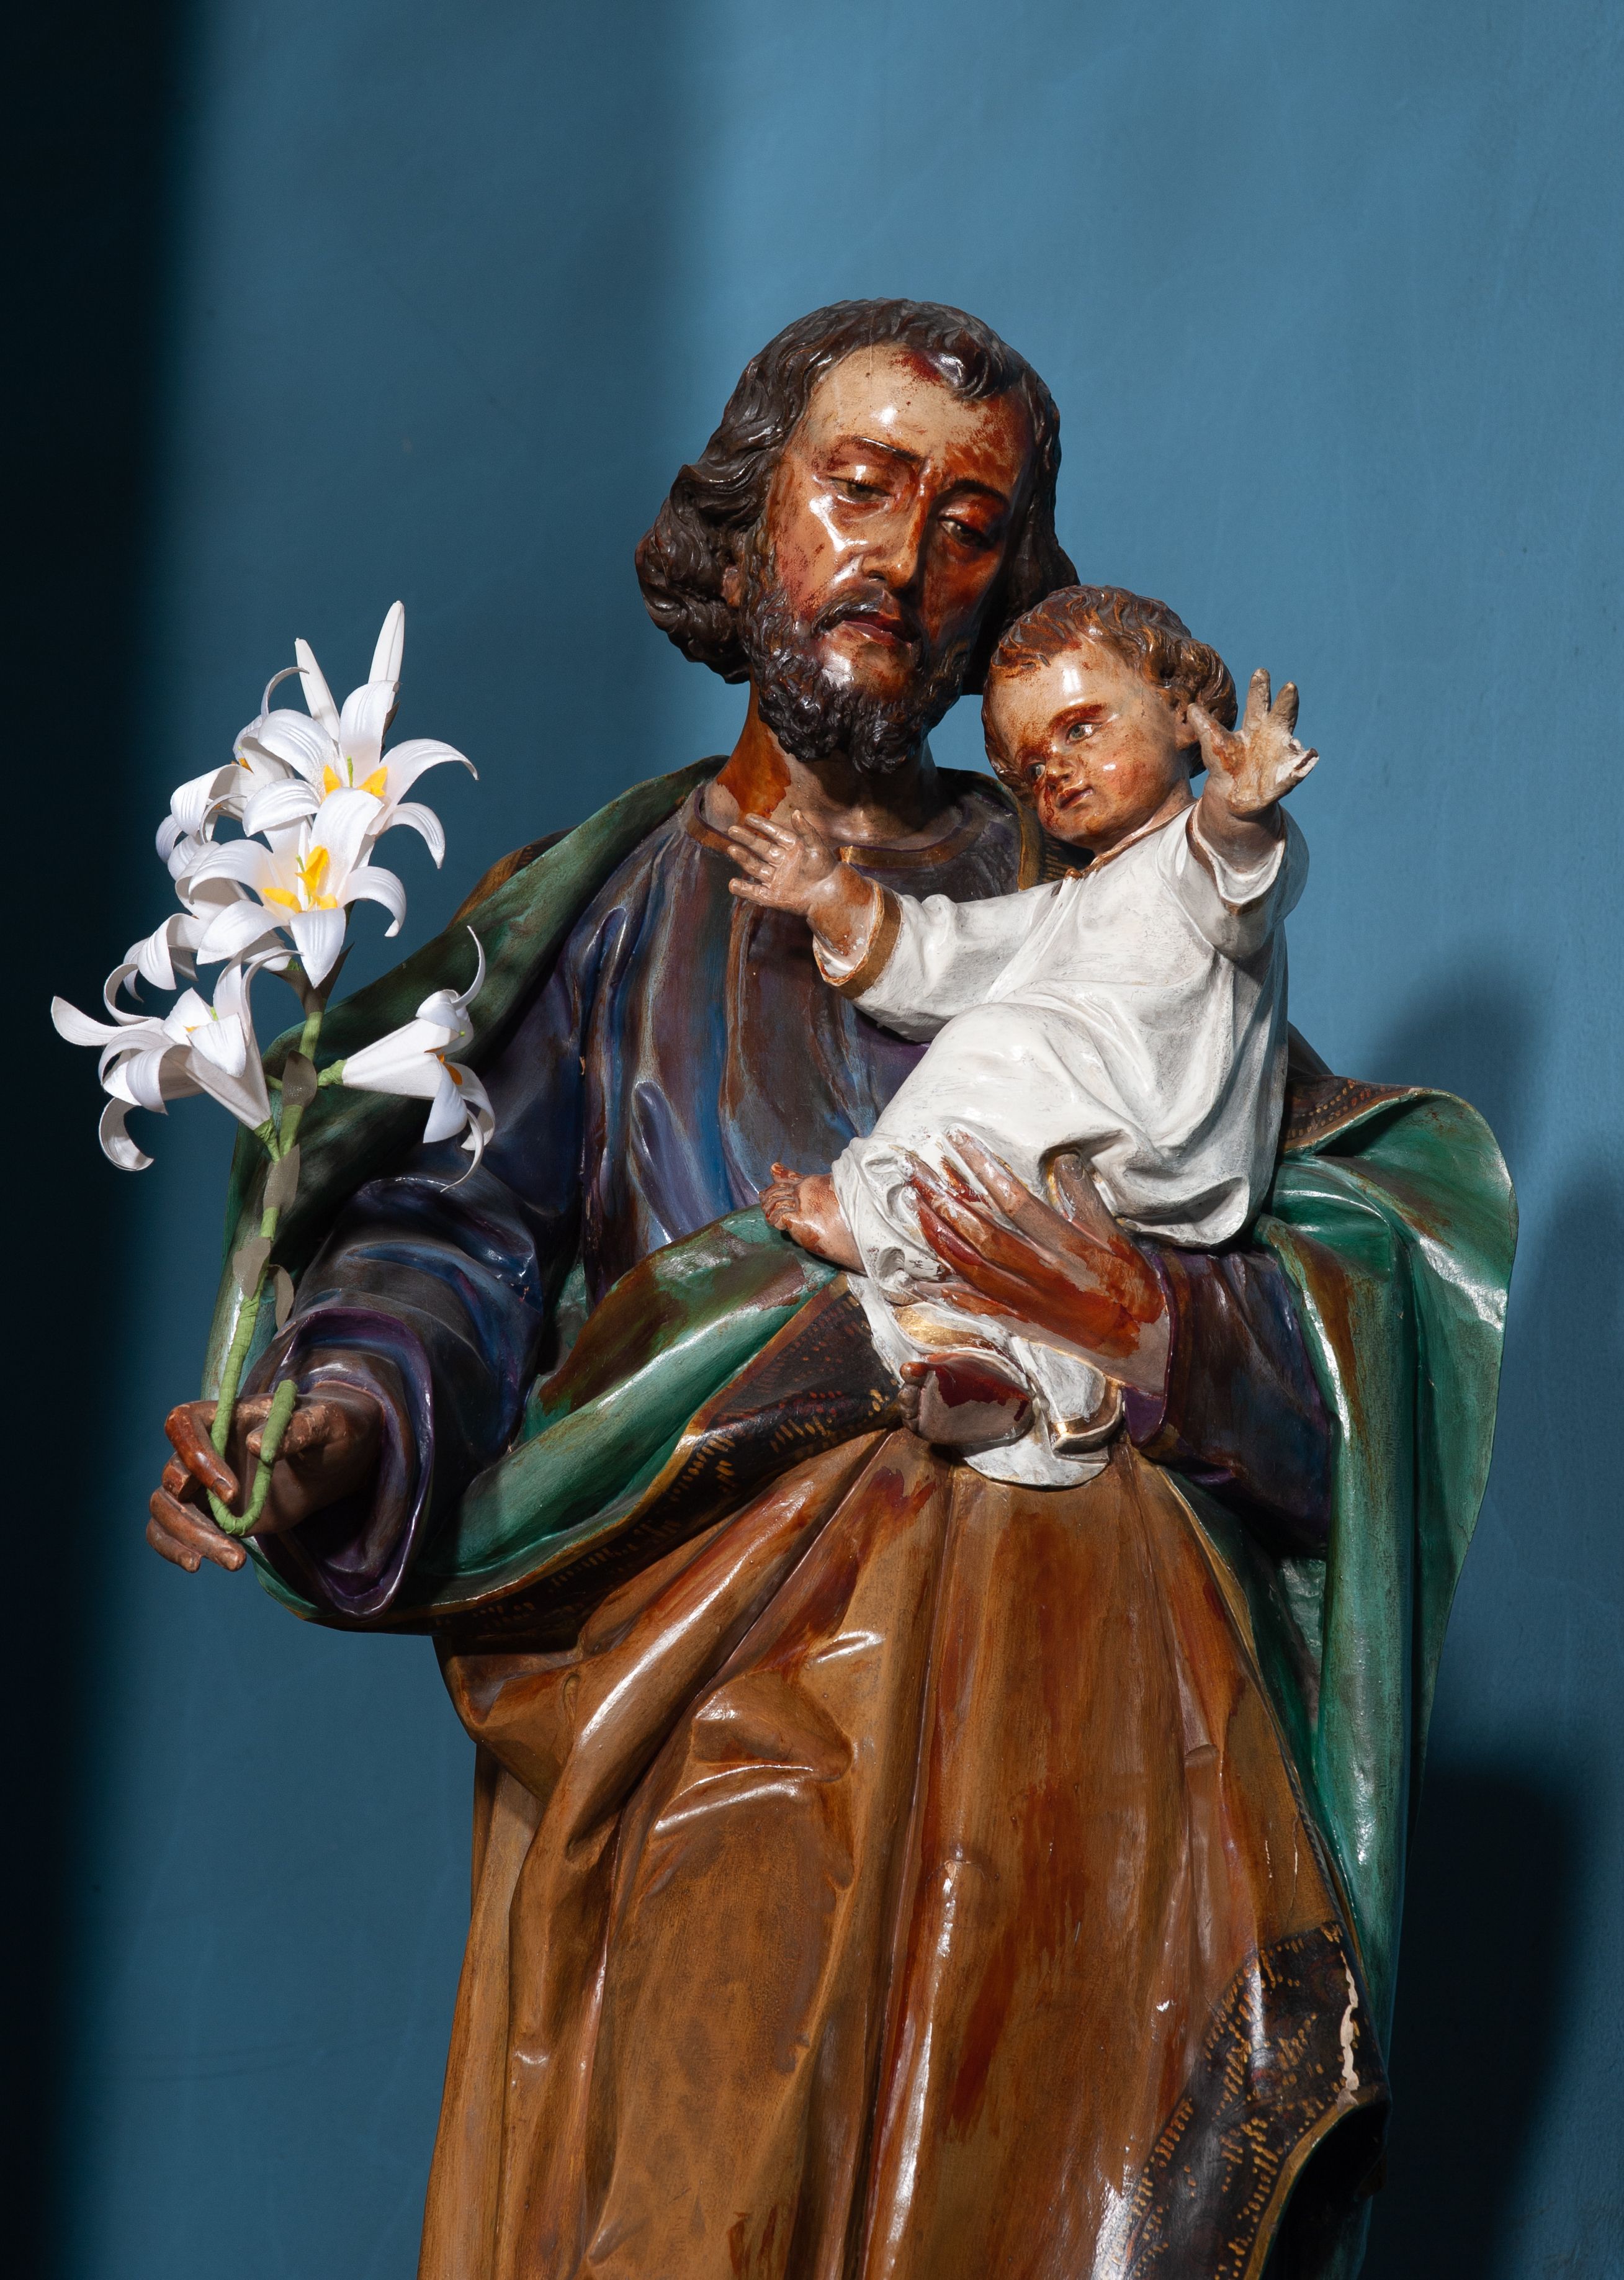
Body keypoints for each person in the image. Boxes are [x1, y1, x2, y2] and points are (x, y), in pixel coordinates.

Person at [143, 302, 1512, 2280]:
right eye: (862, 488)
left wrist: (1146, 1327)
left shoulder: (1099, 910)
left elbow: (1329, 1303)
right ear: (749, 515)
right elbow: (450, 1241)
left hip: (1079, 1725)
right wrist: (336, 1419)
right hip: (717, 1680)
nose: (906, 559)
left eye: (971, 526)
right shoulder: (614, 912)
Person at [730, 585, 1317, 1484]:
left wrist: (1241, 811)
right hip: (1074, 1139)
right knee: (989, 1087)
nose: (1060, 772)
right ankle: (995, 1371)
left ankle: (876, 1213)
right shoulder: (1066, 904)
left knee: (992, 1041)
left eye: (1081, 728)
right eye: (1035, 767)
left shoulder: (1190, 856)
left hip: (1155, 1123)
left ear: (1182, 715)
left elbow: (1241, 891)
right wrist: (828, 894)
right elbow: (941, 955)